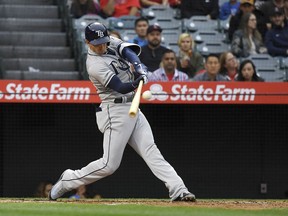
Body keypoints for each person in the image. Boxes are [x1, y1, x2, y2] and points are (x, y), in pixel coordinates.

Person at [49, 22, 196, 202]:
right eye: (97, 43)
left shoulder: (107, 40)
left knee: (151, 150)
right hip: (115, 110)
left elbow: (127, 51)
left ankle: (178, 189)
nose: (102, 46)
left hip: (132, 106)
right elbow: (120, 86)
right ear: (87, 42)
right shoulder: (94, 65)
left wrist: (138, 65)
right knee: (109, 165)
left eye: (104, 41)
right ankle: (68, 179)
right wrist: (138, 81)